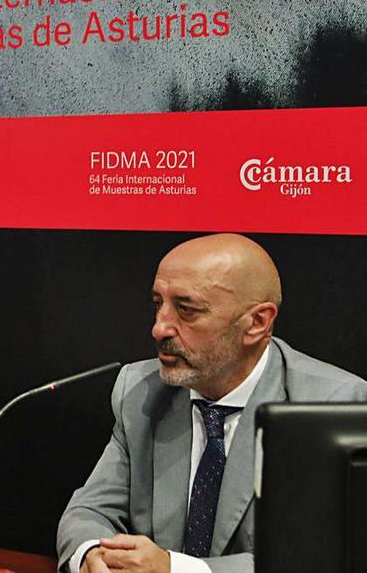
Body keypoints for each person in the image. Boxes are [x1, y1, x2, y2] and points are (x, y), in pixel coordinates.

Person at [57, 234, 367, 573]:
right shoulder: (141, 390)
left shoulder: (332, 406)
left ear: (256, 323)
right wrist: (91, 554)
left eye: (186, 309)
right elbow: (90, 511)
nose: (159, 328)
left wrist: (176, 570)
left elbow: (317, 559)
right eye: (158, 303)